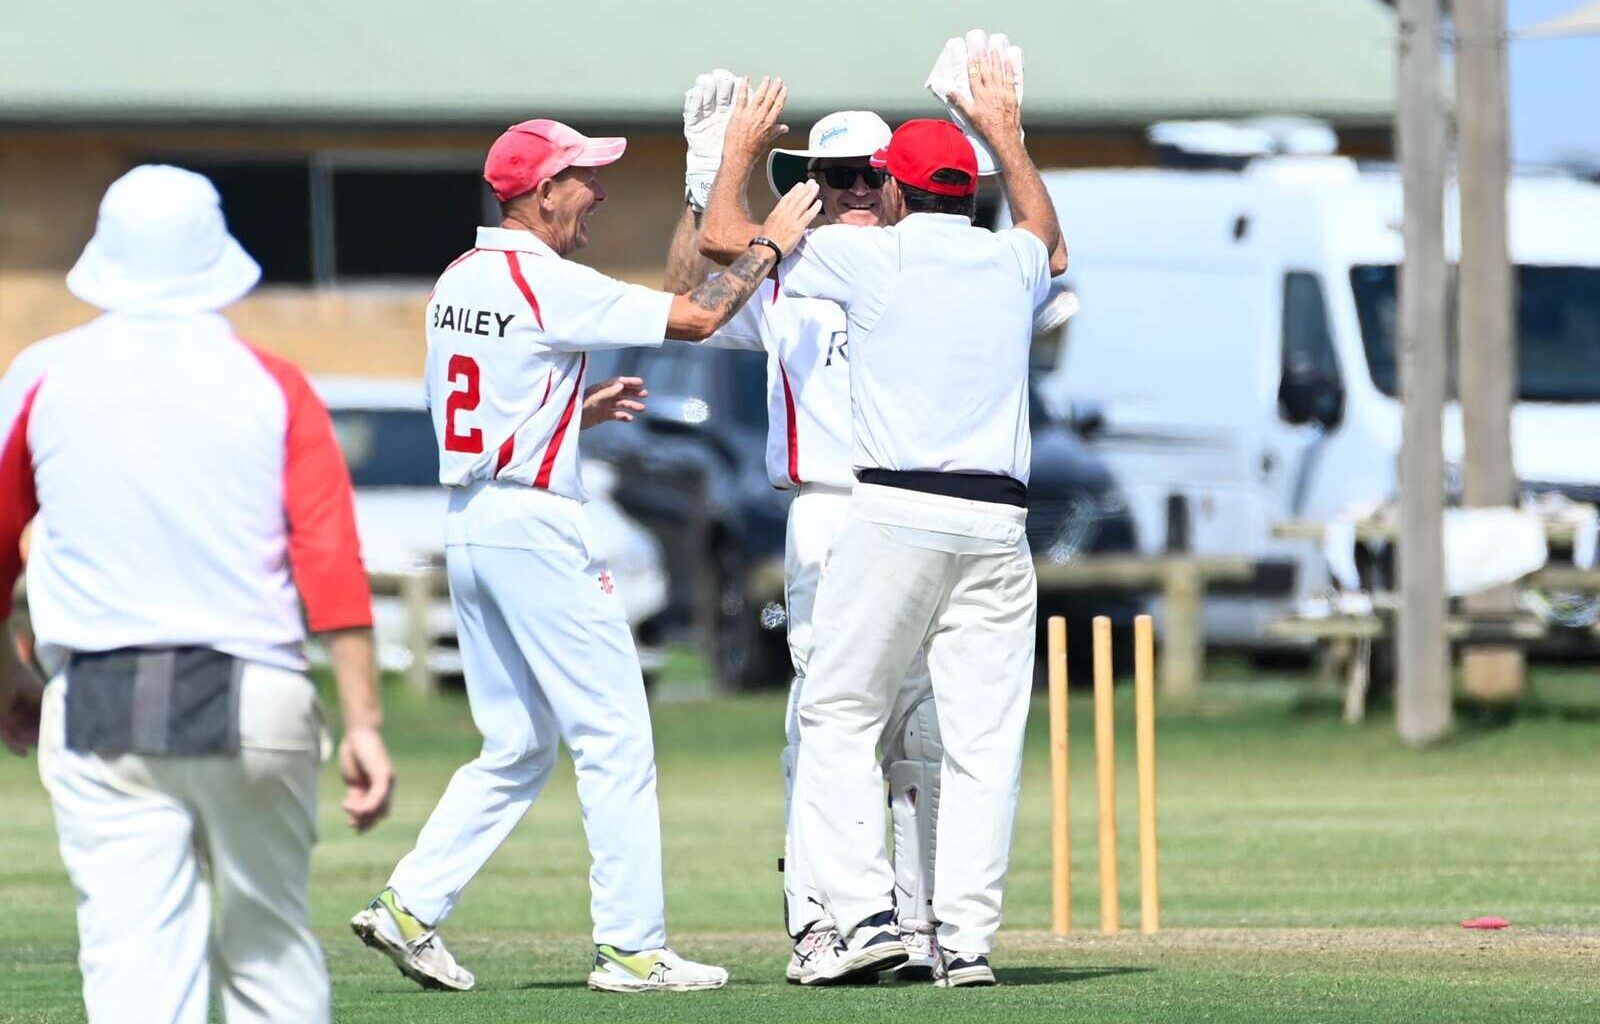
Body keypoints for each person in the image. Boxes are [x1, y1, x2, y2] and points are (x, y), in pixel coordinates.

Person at [351, 117, 819, 994]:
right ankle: (631, 949)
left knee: (521, 741)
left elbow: (477, 404)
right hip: (535, 526)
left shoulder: (458, 279)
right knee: (615, 734)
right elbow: (699, 314)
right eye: (584, 178)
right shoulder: (546, 281)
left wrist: (571, 413)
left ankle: (408, 907)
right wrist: (771, 242)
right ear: (540, 192)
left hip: (473, 520)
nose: (597, 192)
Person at [0, 164, 396, 1024]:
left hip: (99, 695)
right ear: (219, 259)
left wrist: (8, 671)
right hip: (255, 693)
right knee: (269, 951)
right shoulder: (275, 384)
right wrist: (364, 722)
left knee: (136, 967)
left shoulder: (41, 375)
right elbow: (330, 558)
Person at [703, 50, 1067, 987]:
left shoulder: (874, 255)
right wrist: (1004, 132)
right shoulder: (1013, 261)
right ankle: (965, 941)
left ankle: (863, 915)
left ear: (897, 193)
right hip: (1000, 527)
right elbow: (1047, 234)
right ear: (969, 191)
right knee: (980, 743)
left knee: (835, 714)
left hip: (897, 510)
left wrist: (733, 156)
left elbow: (728, 241)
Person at [667, 70, 946, 983]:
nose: (856, 189)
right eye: (836, 175)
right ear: (811, 185)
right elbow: (688, 298)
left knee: (917, 724)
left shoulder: (929, 264)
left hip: (920, 509)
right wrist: (705, 181)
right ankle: (821, 923)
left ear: (898, 183)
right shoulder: (788, 269)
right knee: (828, 722)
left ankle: (916, 918)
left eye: (872, 173)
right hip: (828, 506)